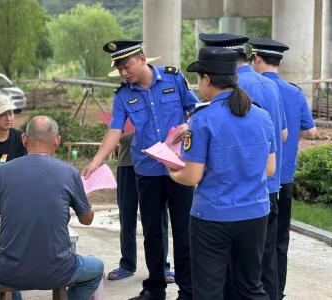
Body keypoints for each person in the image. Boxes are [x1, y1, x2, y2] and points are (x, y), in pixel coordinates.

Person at [84, 40, 199, 300]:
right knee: (151, 232)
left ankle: (188, 290)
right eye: (119, 68)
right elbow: (115, 129)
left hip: (178, 168)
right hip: (147, 171)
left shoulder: (173, 78)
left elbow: (194, 110)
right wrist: (97, 160)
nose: (124, 73)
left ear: (142, 58)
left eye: (126, 66)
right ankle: (154, 288)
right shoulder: (123, 94)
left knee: (183, 230)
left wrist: (188, 125)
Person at [168, 46, 275, 300]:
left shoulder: (202, 119)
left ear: (206, 80)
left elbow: (191, 177)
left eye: (199, 78)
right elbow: (269, 169)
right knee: (251, 287)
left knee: (209, 291)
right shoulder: (261, 116)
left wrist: (171, 169)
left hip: (213, 217)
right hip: (256, 214)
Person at [199, 33, 287, 300]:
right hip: (262, 193)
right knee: (261, 268)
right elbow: (281, 135)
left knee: (219, 276)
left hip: (221, 203)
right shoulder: (271, 87)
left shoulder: (210, 110)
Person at [0, 116, 104, 300]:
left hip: (10, 271)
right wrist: (85, 198)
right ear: (57, 141)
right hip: (59, 270)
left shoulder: (2, 172)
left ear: (24, 139)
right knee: (96, 267)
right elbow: (87, 219)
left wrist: (1, 240)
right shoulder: (69, 173)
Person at [249, 37, 317, 300]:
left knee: (256, 242)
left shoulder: (252, 89)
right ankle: (277, 291)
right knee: (279, 240)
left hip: (260, 177)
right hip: (284, 176)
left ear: (256, 58)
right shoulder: (293, 92)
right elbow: (309, 129)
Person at [107, 134, 174, 283]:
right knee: (126, 215)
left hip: (154, 166)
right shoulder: (124, 110)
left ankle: (162, 266)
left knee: (157, 217)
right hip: (127, 165)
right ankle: (127, 264)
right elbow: (117, 136)